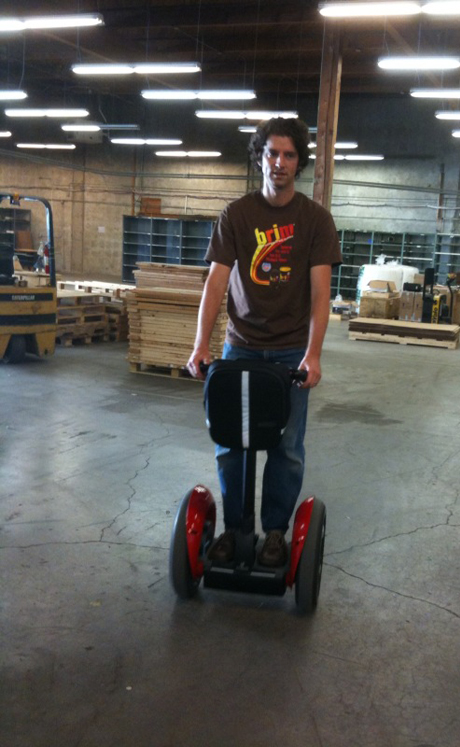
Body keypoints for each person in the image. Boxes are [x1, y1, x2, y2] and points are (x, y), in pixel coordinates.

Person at [187, 117, 342, 567]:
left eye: (289, 155)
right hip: (241, 347)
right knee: (230, 444)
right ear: (260, 157)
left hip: (291, 351)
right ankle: (236, 530)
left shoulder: (315, 220)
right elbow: (216, 283)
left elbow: (321, 294)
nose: (279, 163)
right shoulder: (236, 215)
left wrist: (313, 354)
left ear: (299, 163)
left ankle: (275, 532)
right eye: (272, 153)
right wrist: (201, 345)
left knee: (286, 448)